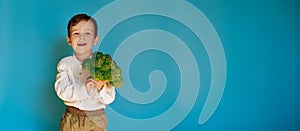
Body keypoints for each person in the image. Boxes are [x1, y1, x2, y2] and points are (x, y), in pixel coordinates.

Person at [55, 14, 116, 131]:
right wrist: (84, 88)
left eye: (87, 33)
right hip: (71, 118)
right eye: (76, 34)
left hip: (96, 119)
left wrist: (101, 88)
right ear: (69, 40)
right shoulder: (65, 64)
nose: (81, 38)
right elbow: (62, 91)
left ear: (95, 40)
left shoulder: (103, 64)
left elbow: (109, 98)